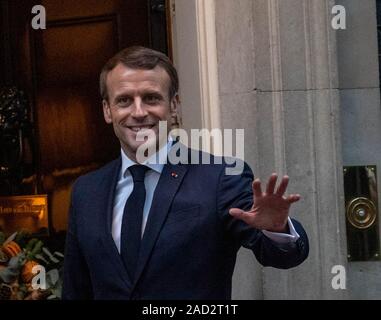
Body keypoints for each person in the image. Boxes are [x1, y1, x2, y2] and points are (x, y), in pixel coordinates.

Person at [62, 46, 309, 300]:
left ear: (174, 106)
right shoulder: (86, 191)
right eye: (124, 100)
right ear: (107, 110)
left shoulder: (220, 177)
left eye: (151, 98)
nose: (138, 112)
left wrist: (277, 229)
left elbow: (281, 255)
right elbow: (75, 289)